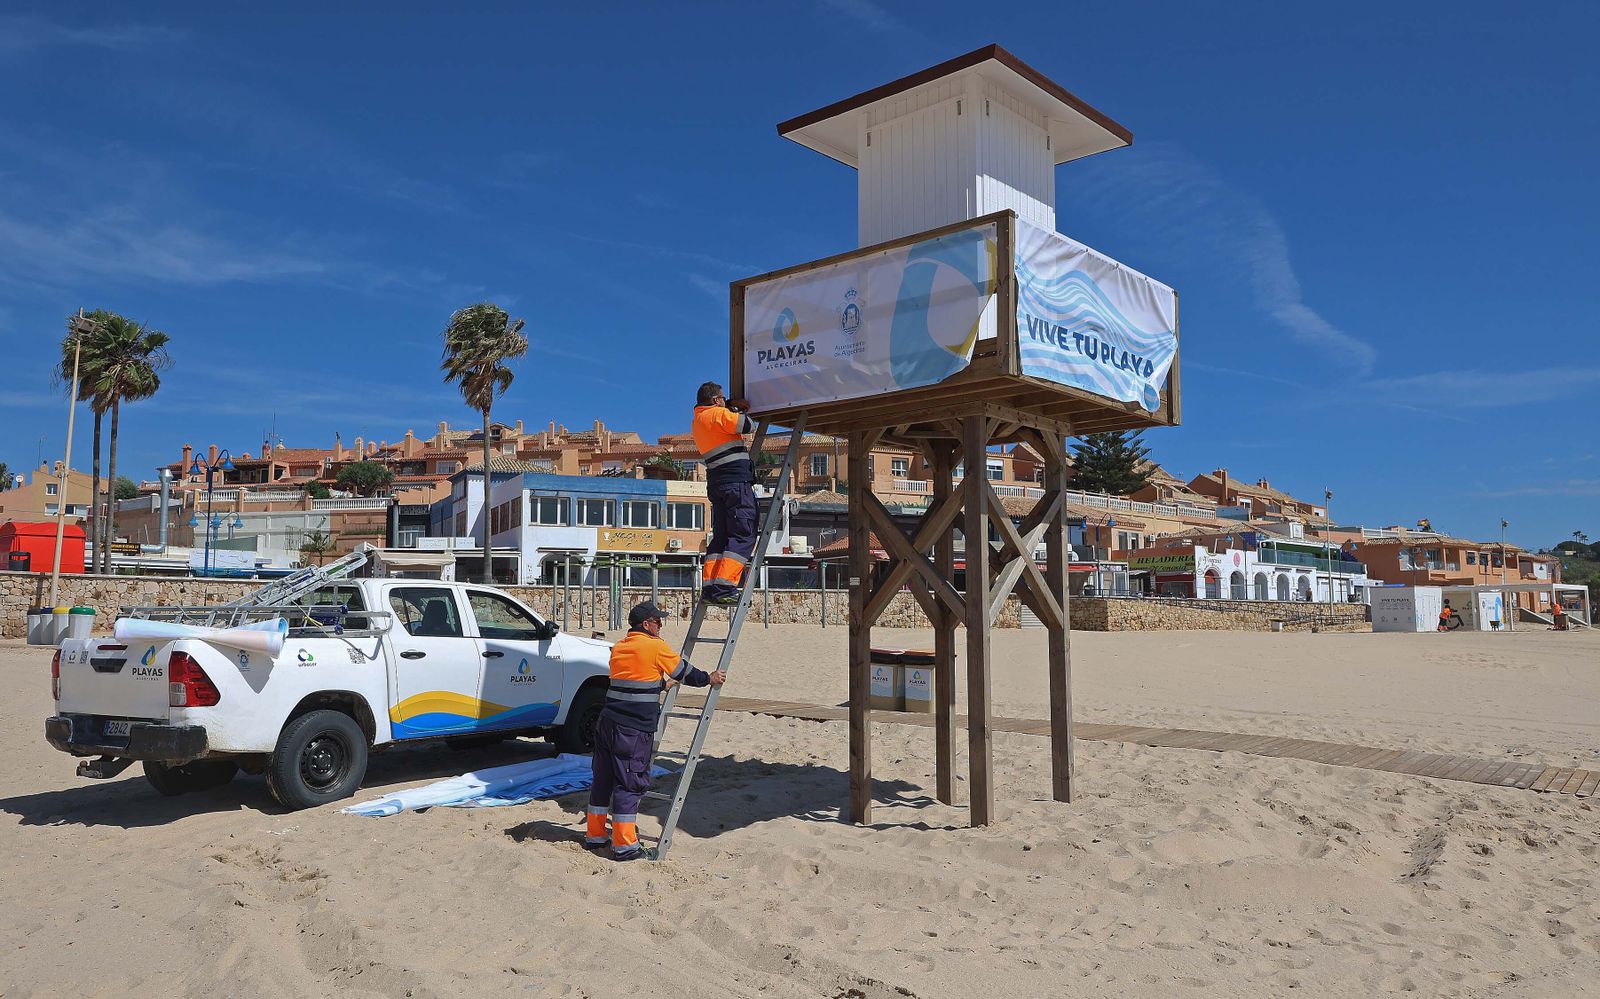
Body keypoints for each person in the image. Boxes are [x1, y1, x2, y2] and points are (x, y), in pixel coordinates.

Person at [586, 600, 725, 861]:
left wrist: (661, 685)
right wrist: (710, 678)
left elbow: (631, 679)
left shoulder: (619, 647)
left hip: (606, 724)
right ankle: (626, 847)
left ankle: (595, 837)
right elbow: (687, 672)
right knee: (629, 783)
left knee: (602, 781)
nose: (661, 625)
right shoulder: (655, 646)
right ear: (646, 624)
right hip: (633, 728)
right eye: (658, 621)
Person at [692, 381, 757, 606]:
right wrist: (734, 408)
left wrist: (727, 405)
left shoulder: (698, 420)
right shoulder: (719, 414)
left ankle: (710, 587)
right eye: (722, 398)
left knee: (721, 538)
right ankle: (725, 587)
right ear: (716, 400)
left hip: (717, 483)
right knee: (742, 534)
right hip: (735, 483)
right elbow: (749, 425)